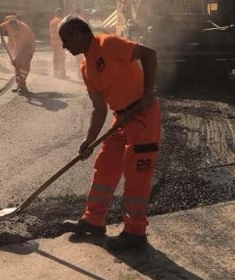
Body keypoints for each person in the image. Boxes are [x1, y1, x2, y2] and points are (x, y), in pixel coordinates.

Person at [58, 16, 160, 251]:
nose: (64, 46)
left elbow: (149, 54)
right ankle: (94, 221)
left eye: (66, 40)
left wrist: (147, 94)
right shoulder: (86, 67)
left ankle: (135, 233)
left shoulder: (109, 44)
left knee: (136, 174)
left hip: (143, 116)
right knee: (105, 166)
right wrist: (89, 139)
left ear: (78, 33)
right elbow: (99, 107)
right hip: (121, 120)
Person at [0, 16, 35, 94]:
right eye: (13, 29)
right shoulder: (8, 24)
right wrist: (2, 38)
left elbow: (22, 48)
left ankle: (22, 85)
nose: (14, 31)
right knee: (17, 65)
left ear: (18, 25)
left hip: (28, 46)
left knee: (24, 65)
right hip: (18, 46)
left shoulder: (24, 29)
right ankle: (20, 85)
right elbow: (0, 27)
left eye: (16, 29)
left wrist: (15, 59)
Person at [49, 8, 66, 79]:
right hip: (59, 43)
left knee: (55, 58)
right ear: (60, 14)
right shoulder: (60, 21)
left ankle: (55, 73)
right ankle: (61, 74)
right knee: (61, 58)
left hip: (54, 42)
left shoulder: (52, 21)